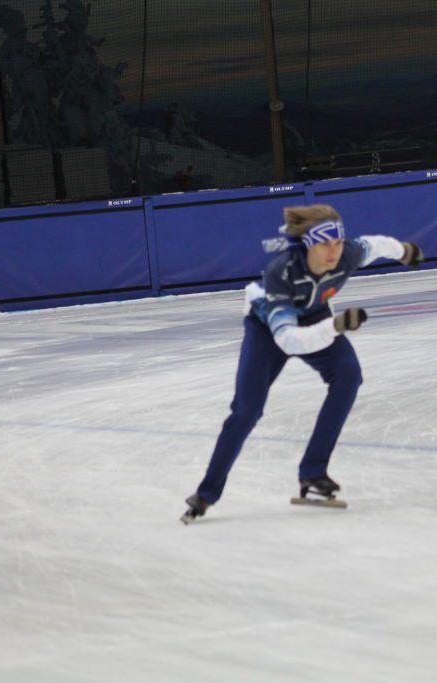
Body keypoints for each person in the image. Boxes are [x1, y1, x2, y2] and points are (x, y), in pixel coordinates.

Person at [181, 204, 424, 523]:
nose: (334, 251)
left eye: (337, 243)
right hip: (269, 329)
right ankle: (206, 494)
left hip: (315, 314)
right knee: (247, 411)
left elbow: (375, 244)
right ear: (309, 244)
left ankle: (313, 471)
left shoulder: (347, 253)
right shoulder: (280, 273)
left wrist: (404, 251)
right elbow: (290, 341)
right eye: (325, 244)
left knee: (348, 375)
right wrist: (335, 327)